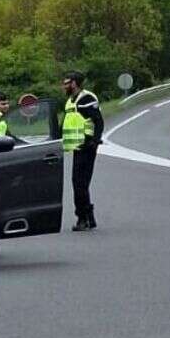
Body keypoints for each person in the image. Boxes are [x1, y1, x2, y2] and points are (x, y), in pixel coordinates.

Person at [61, 71, 104, 231]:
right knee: (80, 184)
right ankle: (89, 217)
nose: (64, 86)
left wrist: (93, 141)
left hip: (87, 147)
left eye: (66, 83)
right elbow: (67, 123)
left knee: (79, 184)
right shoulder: (70, 101)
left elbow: (98, 120)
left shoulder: (86, 98)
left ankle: (83, 218)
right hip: (77, 148)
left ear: (74, 83)